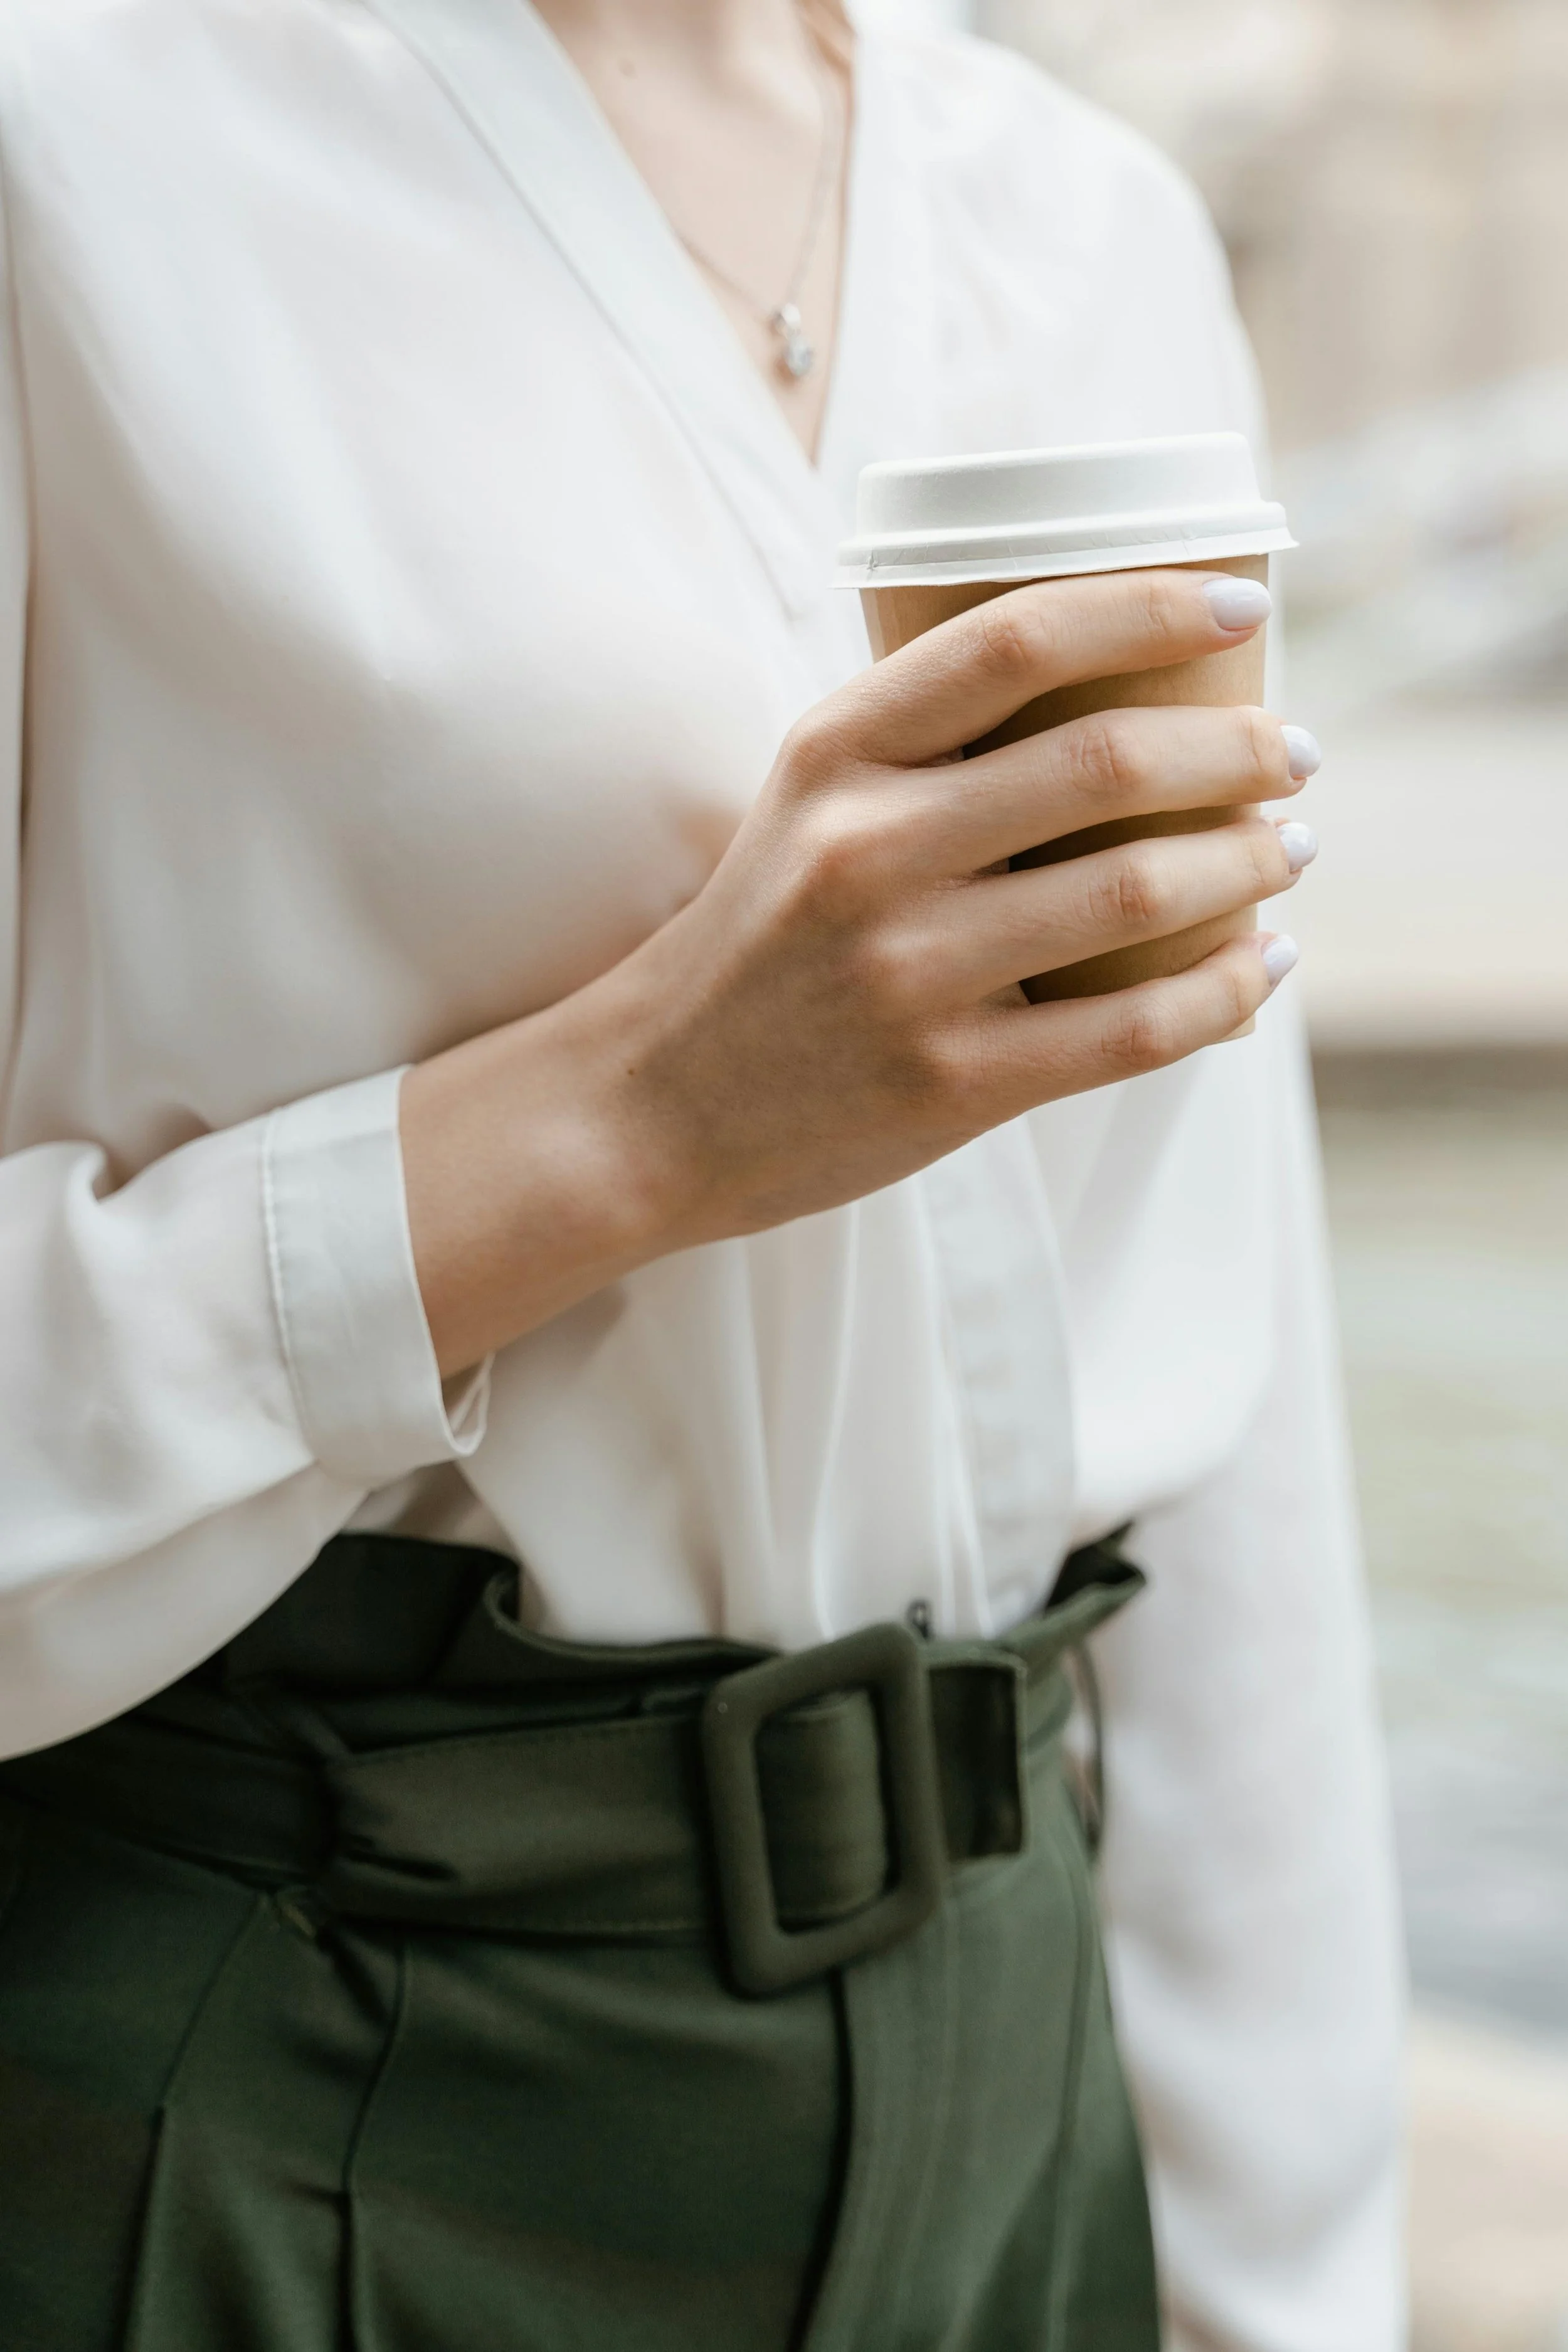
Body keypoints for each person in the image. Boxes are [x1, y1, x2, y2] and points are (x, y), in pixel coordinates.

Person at [0, 0, 1404, 2344]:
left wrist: (1289, 2272)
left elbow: (1215, 1363)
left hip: (1022, 2099)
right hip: (299, 2084)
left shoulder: (1093, 224)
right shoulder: (69, 137)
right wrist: (626, 1122)